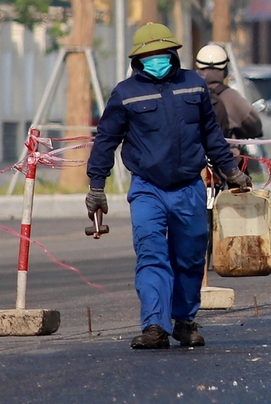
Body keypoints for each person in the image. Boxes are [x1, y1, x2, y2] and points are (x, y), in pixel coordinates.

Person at [87, 23, 249, 350]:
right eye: (149, 55)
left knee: (189, 258)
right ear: (138, 59)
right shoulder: (125, 94)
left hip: (189, 186)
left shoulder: (194, 86)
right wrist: (96, 186)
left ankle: (185, 321)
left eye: (162, 53)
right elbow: (105, 140)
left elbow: (211, 135)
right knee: (151, 254)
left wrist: (231, 170)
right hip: (148, 188)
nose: (157, 59)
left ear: (173, 53)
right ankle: (154, 326)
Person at [195, 43, 264, 143]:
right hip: (222, 155)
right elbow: (254, 126)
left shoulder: (188, 91)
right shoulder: (231, 97)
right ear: (225, 69)